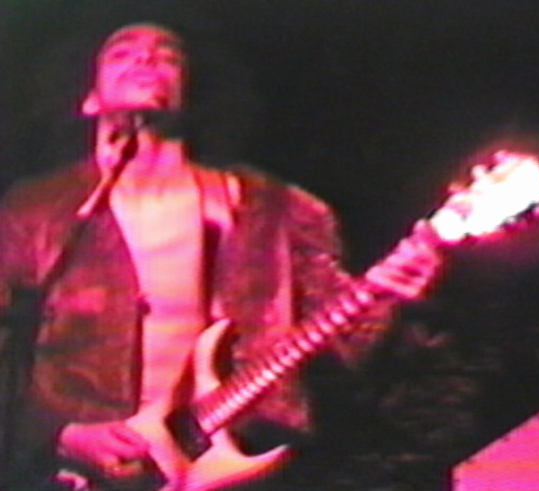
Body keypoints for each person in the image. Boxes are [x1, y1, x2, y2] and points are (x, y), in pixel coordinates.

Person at [0, 22, 443, 491]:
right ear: (89, 98)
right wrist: (60, 434)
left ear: (191, 95)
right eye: (122, 52)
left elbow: (341, 353)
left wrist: (389, 296)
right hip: (81, 477)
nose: (146, 58)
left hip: (242, 464)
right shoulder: (35, 210)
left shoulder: (276, 209)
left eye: (168, 55)